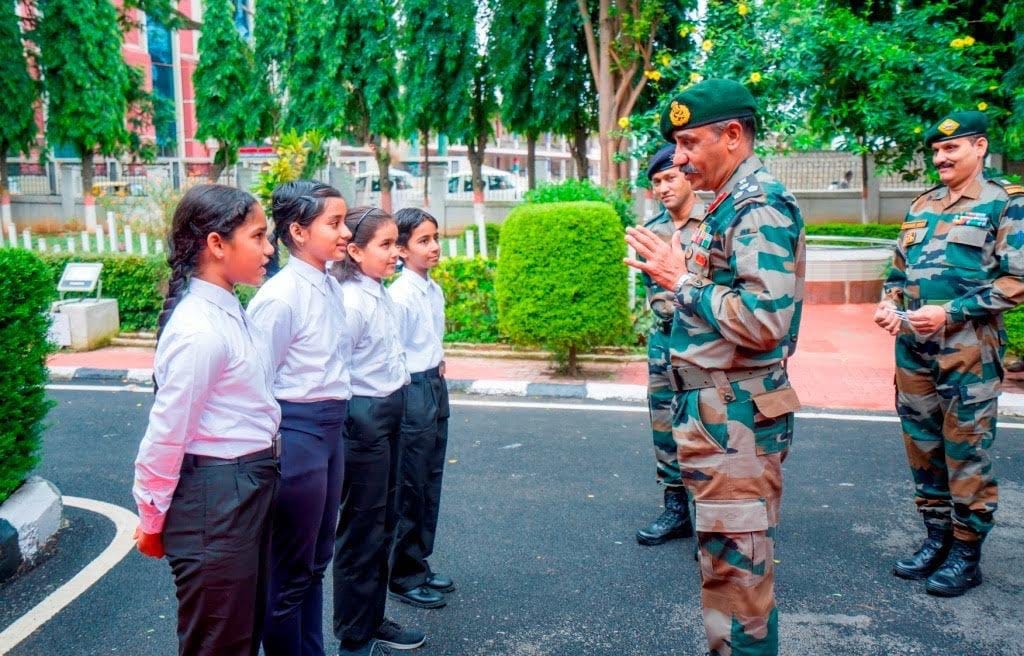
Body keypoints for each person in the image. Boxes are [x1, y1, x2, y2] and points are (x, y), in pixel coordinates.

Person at [625, 79, 805, 656]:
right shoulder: (725, 204)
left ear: (732, 136)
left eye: (688, 142)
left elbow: (766, 320)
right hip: (716, 414)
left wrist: (682, 282)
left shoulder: (757, 206)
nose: (678, 157)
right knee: (726, 574)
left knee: (738, 584)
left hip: (737, 420)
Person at [874, 110, 1024, 597]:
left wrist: (952, 311)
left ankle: (967, 552)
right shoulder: (921, 206)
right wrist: (888, 304)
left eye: (951, 148)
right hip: (912, 347)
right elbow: (898, 276)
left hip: (969, 351)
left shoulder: (1005, 204)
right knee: (923, 447)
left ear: (979, 147)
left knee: (965, 449)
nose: (940, 157)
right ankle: (936, 537)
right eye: (936, 150)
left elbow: (1017, 281)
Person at [132, 184, 280, 656]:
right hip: (216, 499)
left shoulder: (229, 309)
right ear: (217, 244)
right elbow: (166, 434)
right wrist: (152, 519)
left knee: (242, 630)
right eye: (257, 236)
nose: (269, 248)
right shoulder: (200, 330)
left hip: (245, 485)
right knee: (219, 640)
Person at [247, 180, 352, 655]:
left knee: (316, 562)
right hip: (298, 434)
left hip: (331, 431)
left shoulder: (328, 285)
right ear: (298, 231)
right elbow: (256, 385)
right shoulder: (280, 297)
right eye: (334, 223)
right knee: (290, 573)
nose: (346, 231)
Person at [331, 207, 420, 656]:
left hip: (390, 410)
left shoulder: (378, 292)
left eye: (394, 243)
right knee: (362, 528)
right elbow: (336, 368)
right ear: (354, 249)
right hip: (363, 417)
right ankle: (354, 635)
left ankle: (370, 617)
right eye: (384, 245)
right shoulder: (351, 300)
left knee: (385, 522)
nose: (395, 253)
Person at [635, 144, 703, 546]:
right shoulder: (653, 232)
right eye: (656, 181)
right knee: (665, 427)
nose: (662, 187)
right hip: (664, 348)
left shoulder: (713, 224)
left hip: (706, 352)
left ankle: (713, 522)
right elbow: (660, 300)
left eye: (669, 178)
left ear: (688, 176)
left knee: (707, 430)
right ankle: (676, 510)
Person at [388, 208, 454, 608]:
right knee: (409, 487)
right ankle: (402, 575)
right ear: (400, 248)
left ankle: (420, 562)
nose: (434, 248)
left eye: (435, 238)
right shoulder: (399, 296)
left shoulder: (432, 289)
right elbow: (391, 354)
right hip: (411, 391)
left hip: (434, 385)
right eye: (423, 241)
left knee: (430, 480)